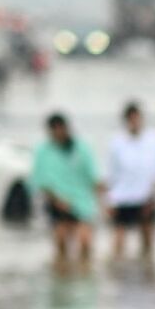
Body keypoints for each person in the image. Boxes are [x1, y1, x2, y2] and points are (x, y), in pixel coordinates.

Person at [30, 113, 102, 264]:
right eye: (55, 130)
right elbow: (40, 182)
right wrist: (57, 201)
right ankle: (62, 277)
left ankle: (83, 275)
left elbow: (94, 178)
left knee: (85, 243)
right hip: (56, 202)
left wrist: (101, 203)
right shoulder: (43, 152)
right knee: (61, 243)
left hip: (82, 202)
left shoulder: (82, 149)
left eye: (61, 129)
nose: (59, 133)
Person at [105, 101, 155, 261]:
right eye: (131, 119)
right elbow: (111, 173)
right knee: (118, 241)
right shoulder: (116, 142)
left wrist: (153, 198)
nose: (134, 122)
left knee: (148, 241)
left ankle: (147, 270)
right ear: (126, 121)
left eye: (137, 118)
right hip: (122, 196)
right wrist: (108, 201)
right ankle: (117, 274)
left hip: (145, 196)